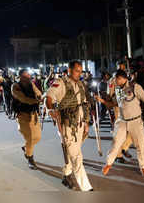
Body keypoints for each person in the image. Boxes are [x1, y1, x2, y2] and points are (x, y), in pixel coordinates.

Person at [96, 69, 144, 178]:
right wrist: (102, 101)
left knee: (141, 145)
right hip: (122, 121)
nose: (114, 81)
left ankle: (143, 166)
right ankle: (108, 164)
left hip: (135, 121)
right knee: (116, 143)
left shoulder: (135, 87)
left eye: (116, 79)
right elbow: (114, 104)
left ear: (122, 78)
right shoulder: (118, 89)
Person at [46, 60, 93, 192]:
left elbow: (84, 104)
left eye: (80, 71)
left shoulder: (80, 84)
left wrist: (86, 123)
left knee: (73, 152)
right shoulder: (60, 83)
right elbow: (49, 97)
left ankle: (66, 175)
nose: (79, 73)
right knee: (76, 156)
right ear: (70, 70)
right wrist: (51, 111)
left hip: (79, 124)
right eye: (77, 70)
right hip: (67, 125)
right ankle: (86, 188)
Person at [11, 69, 42, 170]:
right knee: (30, 138)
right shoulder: (15, 86)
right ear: (21, 77)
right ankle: (30, 158)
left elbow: (38, 93)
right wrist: (36, 101)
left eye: (29, 75)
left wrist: (40, 97)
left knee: (37, 137)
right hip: (23, 116)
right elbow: (23, 99)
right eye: (26, 75)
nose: (29, 77)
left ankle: (26, 148)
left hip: (34, 114)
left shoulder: (31, 84)